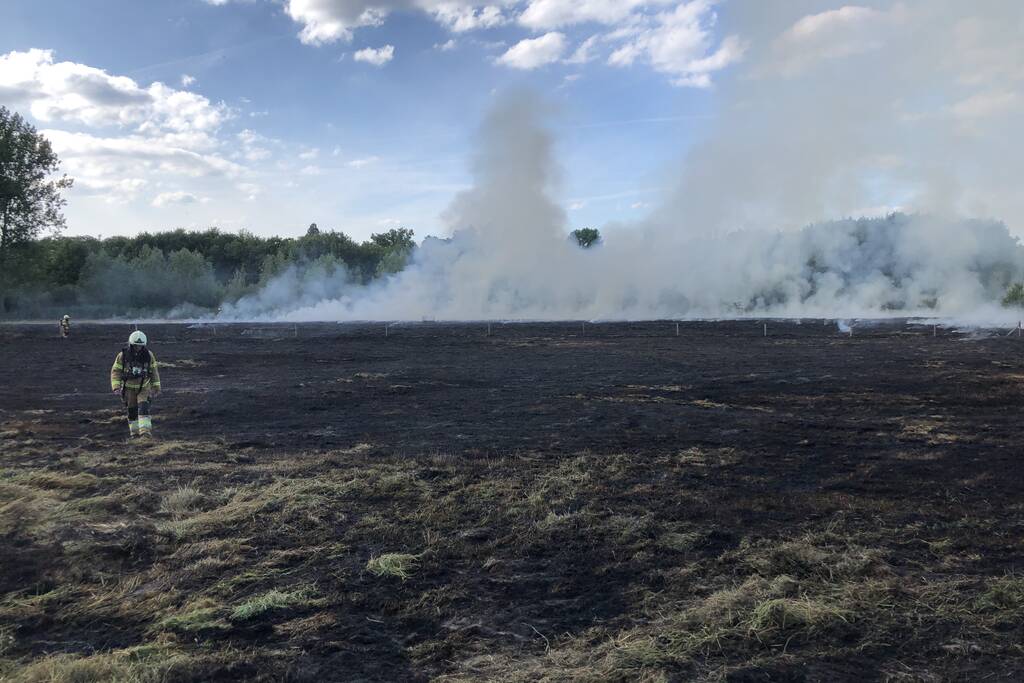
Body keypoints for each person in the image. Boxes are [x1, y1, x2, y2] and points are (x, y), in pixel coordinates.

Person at [110, 331, 161, 438]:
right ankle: (134, 433)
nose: (138, 348)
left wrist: (156, 387)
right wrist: (116, 387)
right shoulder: (122, 356)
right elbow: (116, 371)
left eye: (141, 346)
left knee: (143, 408)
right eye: (136, 345)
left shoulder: (149, 355)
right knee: (132, 411)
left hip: (144, 387)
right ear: (131, 344)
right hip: (128, 389)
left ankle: (145, 432)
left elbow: (153, 371)